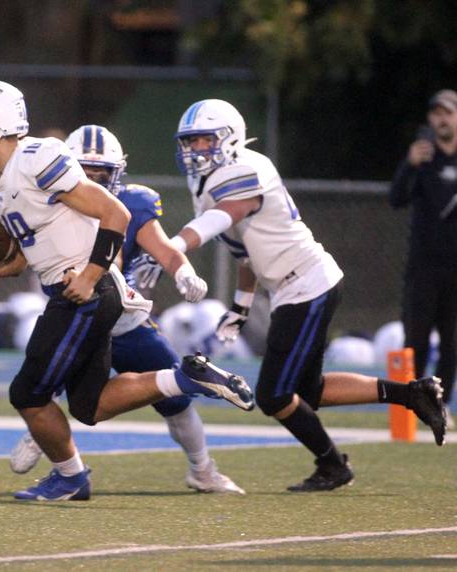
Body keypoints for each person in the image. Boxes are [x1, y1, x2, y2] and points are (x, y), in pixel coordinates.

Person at [0, 80, 254, 501]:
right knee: (89, 406)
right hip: (69, 290)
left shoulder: (38, 156)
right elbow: (20, 262)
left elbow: (116, 211)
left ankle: (71, 478)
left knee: (28, 393)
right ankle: (186, 378)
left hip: (87, 291)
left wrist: (91, 274)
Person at [164, 98, 447, 492]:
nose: (194, 150)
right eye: (190, 142)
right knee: (308, 390)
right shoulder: (210, 182)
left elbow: (223, 216)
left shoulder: (248, 167)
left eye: (203, 141)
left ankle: (333, 464)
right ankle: (413, 394)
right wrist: (241, 306)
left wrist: (174, 244)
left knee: (274, 394)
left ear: (230, 138)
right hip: (293, 288)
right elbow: (246, 252)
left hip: (307, 283)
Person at [5, 124, 245, 494]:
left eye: (103, 175)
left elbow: (164, 248)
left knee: (175, 403)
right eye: (86, 174)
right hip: (83, 313)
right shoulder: (44, 199)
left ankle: (203, 470)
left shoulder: (129, 204)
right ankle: (46, 437)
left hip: (122, 320)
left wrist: (183, 271)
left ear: (118, 173)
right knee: (53, 385)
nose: (95, 182)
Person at [389, 89, 457, 430]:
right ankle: (410, 407)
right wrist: (408, 164)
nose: (441, 119)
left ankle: (439, 408)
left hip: (455, 272)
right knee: (414, 341)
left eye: (448, 112)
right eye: (436, 113)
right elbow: (395, 198)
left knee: (452, 345)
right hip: (423, 269)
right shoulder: (423, 160)